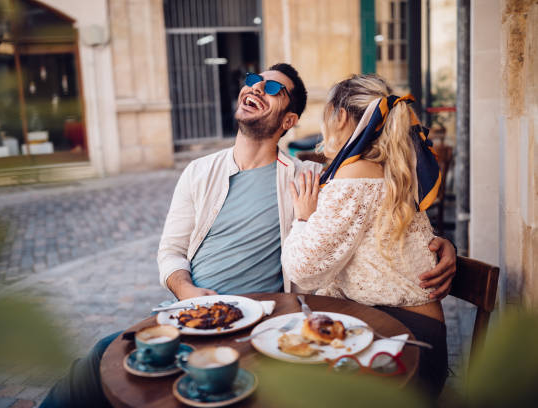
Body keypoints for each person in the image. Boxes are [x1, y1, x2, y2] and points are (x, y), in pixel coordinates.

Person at [40, 64, 456, 407]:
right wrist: (187, 291)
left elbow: (381, 216)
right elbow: (170, 251)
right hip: (193, 313)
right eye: (252, 81)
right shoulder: (199, 172)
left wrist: (441, 246)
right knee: (101, 358)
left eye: (273, 87)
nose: (255, 87)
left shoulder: (312, 178)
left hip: (264, 321)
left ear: (289, 120)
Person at [281, 73, 450, 396]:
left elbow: (303, 270)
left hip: (401, 339)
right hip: (418, 332)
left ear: (340, 115)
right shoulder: (392, 165)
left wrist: (303, 218)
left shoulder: (355, 173)